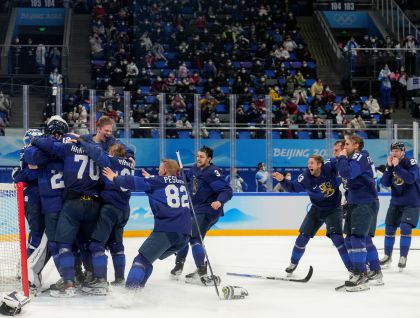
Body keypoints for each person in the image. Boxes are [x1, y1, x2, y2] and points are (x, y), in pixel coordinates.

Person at [30, 127, 103, 297]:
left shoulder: (66, 150)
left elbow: (37, 153)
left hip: (67, 204)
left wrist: (36, 141)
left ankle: (69, 281)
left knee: (61, 244)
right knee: (89, 244)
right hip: (91, 202)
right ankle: (96, 279)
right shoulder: (96, 151)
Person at [102, 160, 192, 289]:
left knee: (140, 261)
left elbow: (132, 182)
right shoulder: (182, 183)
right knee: (148, 260)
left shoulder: (156, 182)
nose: (158, 170)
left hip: (167, 230)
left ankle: (129, 293)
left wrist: (115, 178)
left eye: (160, 168)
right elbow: (164, 184)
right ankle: (137, 290)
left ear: (165, 171)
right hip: (185, 234)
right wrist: (152, 178)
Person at [70, 137, 135, 295]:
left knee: (96, 244)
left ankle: (100, 281)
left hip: (110, 209)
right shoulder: (130, 164)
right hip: (124, 209)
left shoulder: (110, 160)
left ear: (112, 152)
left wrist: (79, 141)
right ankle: (120, 279)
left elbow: (95, 152)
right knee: (116, 245)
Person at [273, 155, 351, 274]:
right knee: (302, 237)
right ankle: (293, 263)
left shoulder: (329, 166)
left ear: (320, 164)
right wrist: (282, 180)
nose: (309, 165)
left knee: (337, 239)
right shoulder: (305, 177)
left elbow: (341, 164)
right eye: (308, 163)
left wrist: (343, 159)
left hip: (334, 208)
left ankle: (352, 269)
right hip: (317, 209)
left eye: (312, 163)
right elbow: (293, 188)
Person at [169, 146, 232, 283]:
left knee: (193, 236)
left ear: (209, 159)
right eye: (197, 156)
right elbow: (186, 181)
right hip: (195, 209)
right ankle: (180, 266)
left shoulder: (212, 172)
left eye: (202, 157)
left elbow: (227, 190)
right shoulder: (194, 169)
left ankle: (201, 271)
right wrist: (179, 175)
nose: (198, 159)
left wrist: (219, 201)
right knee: (188, 234)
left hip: (208, 210)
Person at [337, 135, 382, 292]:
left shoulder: (359, 156)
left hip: (364, 203)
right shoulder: (356, 158)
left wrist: (342, 158)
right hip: (356, 202)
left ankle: (361, 274)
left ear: (356, 146)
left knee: (357, 238)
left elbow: (347, 173)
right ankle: (374, 271)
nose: (344, 148)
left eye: (347, 144)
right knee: (350, 238)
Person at [380, 142, 420, 270]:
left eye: (397, 150)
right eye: (393, 150)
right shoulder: (391, 164)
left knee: (405, 227)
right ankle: (387, 255)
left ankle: (403, 257)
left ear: (403, 151)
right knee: (389, 228)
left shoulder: (411, 162)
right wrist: (389, 167)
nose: (395, 153)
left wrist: (397, 167)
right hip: (396, 202)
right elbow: (385, 183)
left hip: (411, 202)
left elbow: (410, 179)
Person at [12, 129, 44, 257]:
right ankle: (26, 265)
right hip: (32, 199)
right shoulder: (29, 154)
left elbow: (20, 176)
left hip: (37, 198)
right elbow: (26, 176)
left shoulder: (28, 153)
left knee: (40, 234)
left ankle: (27, 265)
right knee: (37, 234)